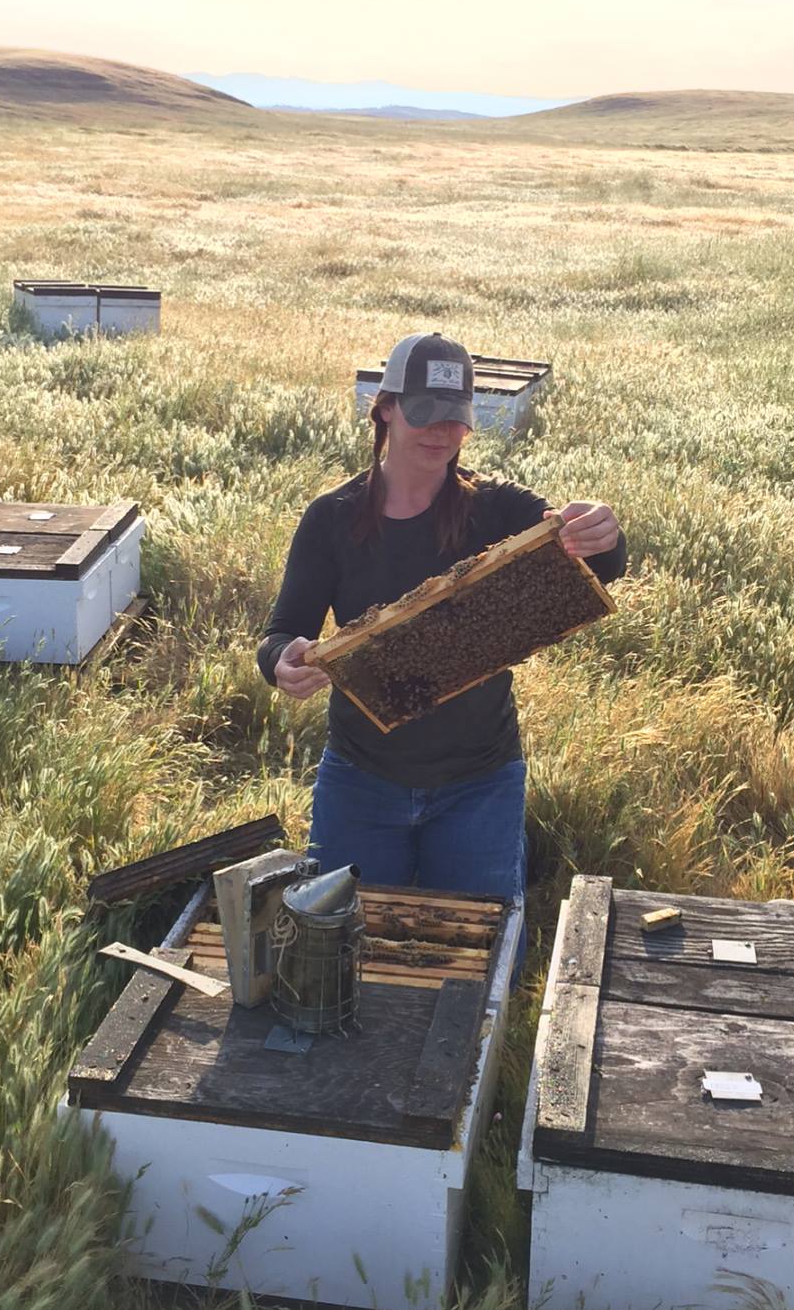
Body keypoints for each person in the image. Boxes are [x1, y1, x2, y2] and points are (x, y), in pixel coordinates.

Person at [257, 332, 626, 904]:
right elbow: (281, 633)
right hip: (361, 777)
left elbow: (600, 564)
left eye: (454, 419)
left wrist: (602, 533)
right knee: (343, 944)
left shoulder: (499, 507)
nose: (441, 433)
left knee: (477, 950)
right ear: (384, 409)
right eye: (425, 414)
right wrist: (280, 661)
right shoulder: (331, 518)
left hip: (480, 780)